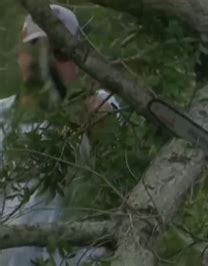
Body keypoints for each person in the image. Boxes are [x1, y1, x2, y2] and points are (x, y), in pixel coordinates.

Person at [0, 5, 119, 265]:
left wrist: (86, 96)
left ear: (77, 61)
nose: (47, 61)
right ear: (21, 54)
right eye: (37, 49)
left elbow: (108, 121)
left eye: (60, 53)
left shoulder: (94, 112)